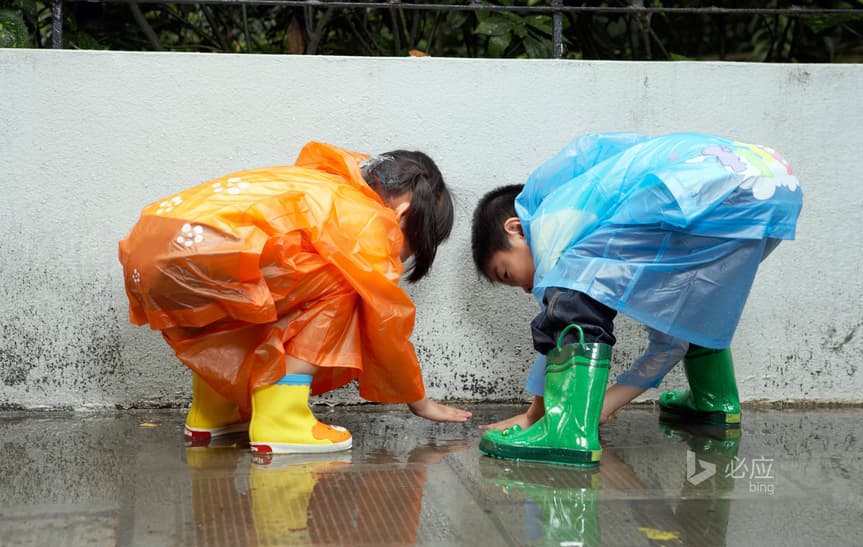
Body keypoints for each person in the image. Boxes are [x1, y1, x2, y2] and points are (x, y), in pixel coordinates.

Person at [471, 132, 802, 466]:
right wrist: (606, 404)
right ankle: (714, 401)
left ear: (516, 229)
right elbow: (672, 338)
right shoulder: (594, 208)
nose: (526, 289)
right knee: (695, 301)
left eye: (507, 274)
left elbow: (566, 310)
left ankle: (567, 433)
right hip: (772, 183)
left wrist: (536, 415)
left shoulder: (552, 223)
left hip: (703, 186)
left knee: (571, 297)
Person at [119, 141, 471, 455]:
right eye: (407, 249)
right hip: (201, 251)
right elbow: (387, 326)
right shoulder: (364, 220)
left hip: (150, 242)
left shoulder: (323, 185)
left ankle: (213, 414)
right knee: (348, 282)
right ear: (404, 214)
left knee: (266, 299)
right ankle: (282, 422)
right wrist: (418, 400)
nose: (396, 259)